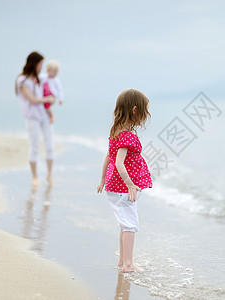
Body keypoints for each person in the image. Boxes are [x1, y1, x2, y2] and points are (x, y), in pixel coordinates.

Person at [97, 89, 152, 273]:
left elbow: (108, 156)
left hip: (114, 185)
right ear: (135, 110)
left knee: (124, 223)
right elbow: (119, 162)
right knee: (130, 224)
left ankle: (122, 261)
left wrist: (103, 178)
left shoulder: (116, 130)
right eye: (144, 113)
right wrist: (130, 185)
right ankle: (128, 264)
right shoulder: (127, 135)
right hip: (123, 187)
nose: (144, 118)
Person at [15, 51, 55, 187]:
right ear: (34, 64)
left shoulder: (39, 79)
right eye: (40, 64)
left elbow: (49, 84)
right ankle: (35, 177)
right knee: (35, 147)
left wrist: (50, 110)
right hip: (32, 117)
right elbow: (32, 99)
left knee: (50, 146)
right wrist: (48, 99)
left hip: (44, 116)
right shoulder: (22, 81)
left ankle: (49, 175)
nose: (41, 67)